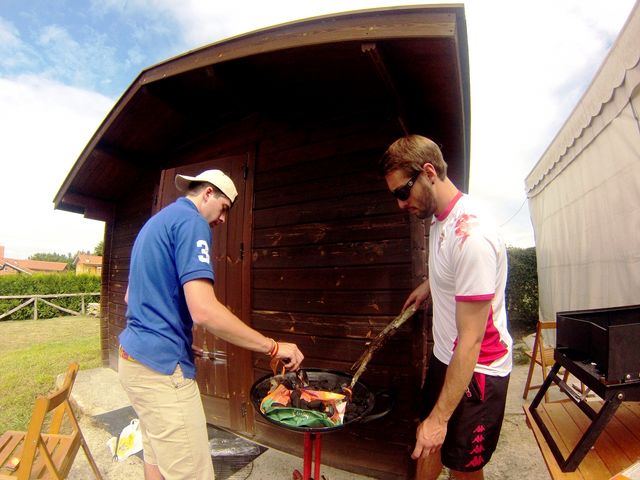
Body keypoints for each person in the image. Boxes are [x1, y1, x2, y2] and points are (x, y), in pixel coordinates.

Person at [118, 169, 304, 480]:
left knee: (157, 458)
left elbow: (130, 297)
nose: (223, 220)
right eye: (225, 207)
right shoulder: (192, 223)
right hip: (162, 372)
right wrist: (272, 346)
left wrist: (175, 334)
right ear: (207, 193)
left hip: (133, 362)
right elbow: (203, 310)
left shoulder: (156, 223)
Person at [378, 135, 512, 480]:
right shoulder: (441, 219)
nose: (399, 203)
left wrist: (440, 420)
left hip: (478, 369)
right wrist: (430, 287)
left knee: (461, 464)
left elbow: (472, 340)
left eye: (402, 192)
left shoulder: (473, 237)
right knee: (427, 442)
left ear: (428, 172)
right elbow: (453, 273)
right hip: (446, 357)